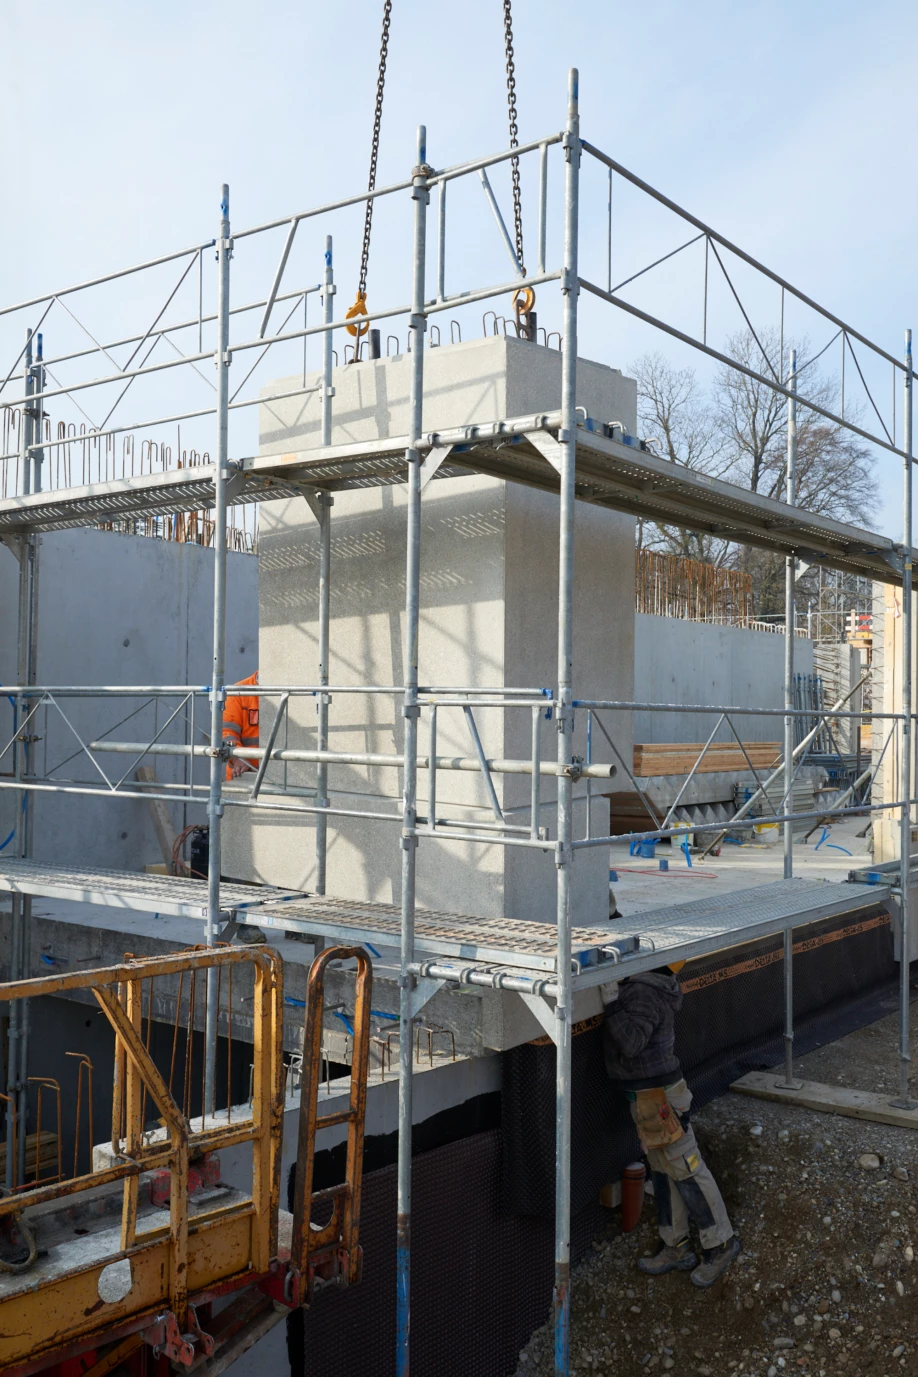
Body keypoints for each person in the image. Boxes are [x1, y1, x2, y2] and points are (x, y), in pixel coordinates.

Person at [601, 962, 740, 1288]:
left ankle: (721, 1244)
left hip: (660, 1098)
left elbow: (632, 1044)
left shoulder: (643, 992)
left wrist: (610, 1005)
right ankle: (675, 1245)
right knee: (663, 1172)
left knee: (686, 1168)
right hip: (650, 1096)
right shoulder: (650, 986)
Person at [222, 671, 259, 780]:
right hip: (245, 777)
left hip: (282, 780)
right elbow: (226, 734)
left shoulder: (289, 691)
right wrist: (238, 758)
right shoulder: (239, 693)